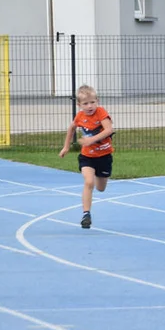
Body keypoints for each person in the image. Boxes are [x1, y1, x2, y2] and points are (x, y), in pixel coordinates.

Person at [58, 84, 114, 229]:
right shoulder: (80, 116)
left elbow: (109, 130)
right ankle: (86, 214)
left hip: (104, 156)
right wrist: (66, 147)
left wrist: (91, 139)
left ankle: (98, 175)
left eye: (92, 102)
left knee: (101, 188)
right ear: (79, 105)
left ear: (97, 101)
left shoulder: (101, 113)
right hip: (87, 157)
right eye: (85, 103)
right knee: (89, 182)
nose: (90, 106)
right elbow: (71, 129)